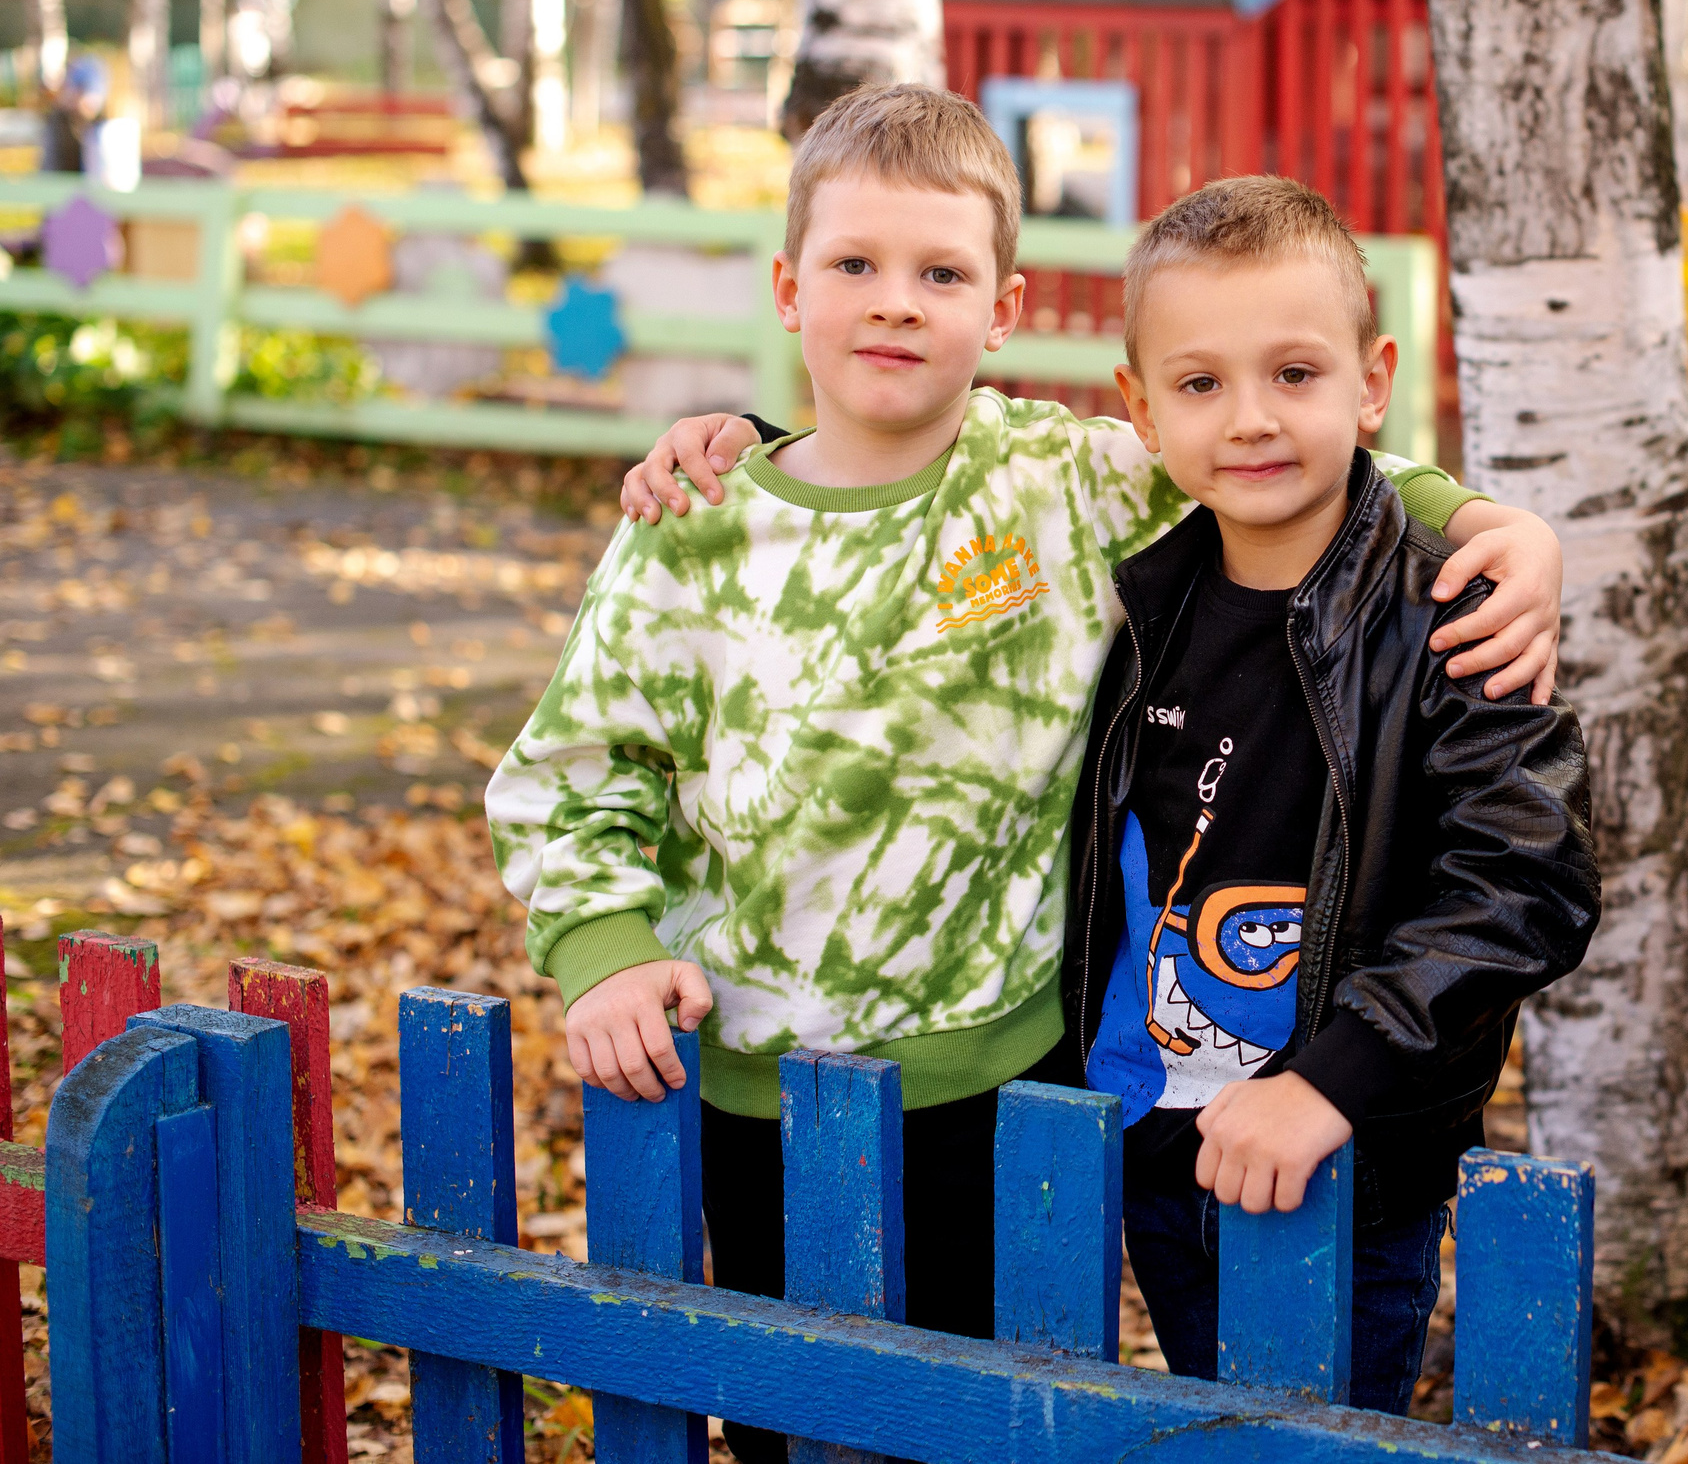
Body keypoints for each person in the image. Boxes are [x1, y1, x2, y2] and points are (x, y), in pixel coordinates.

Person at [487, 85, 1565, 1461]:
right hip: (759, 1076)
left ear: (999, 309)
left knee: (1006, 1421)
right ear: (786, 287)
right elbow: (573, 768)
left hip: (1010, 1082)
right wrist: (604, 944)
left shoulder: (1058, 481)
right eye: (855, 267)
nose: (895, 304)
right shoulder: (693, 524)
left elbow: (1274, 450)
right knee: (792, 1421)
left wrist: (1487, 521)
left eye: (940, 273)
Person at [1061, 175, 1600, 1413]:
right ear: (1141, 410)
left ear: (1373, 383)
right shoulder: (1144, 597)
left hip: (1340, 1144)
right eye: (1200, 384)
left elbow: (1529, 876)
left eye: (1294, 374)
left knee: (1321, 1430)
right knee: (1209, 1411)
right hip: (1150, 1125)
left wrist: (1331, 1081)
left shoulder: (1455, 608)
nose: (1250, 419)